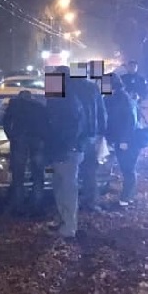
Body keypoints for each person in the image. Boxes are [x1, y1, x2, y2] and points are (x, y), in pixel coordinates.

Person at [45, 66, 87, 238]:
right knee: (60, 187)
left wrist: (65, 147)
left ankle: (69, 227)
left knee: (68, 189)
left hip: (67, 151)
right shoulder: (61, 97)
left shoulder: (68, 100)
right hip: (61, 150)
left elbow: (72, 127)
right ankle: (63, 220)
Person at [3, 90, 48, 216]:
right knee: (38, 175)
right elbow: (45, 125)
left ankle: (19, 206)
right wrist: (43, 139)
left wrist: (11, 136)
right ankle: (37, 205)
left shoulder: (14, 105)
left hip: (19, 140)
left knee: (18, 176)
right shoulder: (39, 106)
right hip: (37, 141)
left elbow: (6, 122)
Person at [71, 74, 108, 212]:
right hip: (90, 135)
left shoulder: (67, 87)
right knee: (90, 170)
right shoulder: (92, 88)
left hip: (73, 136)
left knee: (70, 170)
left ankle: (71, 203)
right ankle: (90, 201)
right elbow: (101, 111)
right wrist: (101, 132)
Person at [105, 74, 140, 206]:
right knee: (125, 167)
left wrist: (124, 140)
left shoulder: (123, 98)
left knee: (128, 168)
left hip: (128, 140)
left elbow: (130, 120)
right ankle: (127, 195)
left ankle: (127, 196)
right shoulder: (113, 97)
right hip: (119, 138)